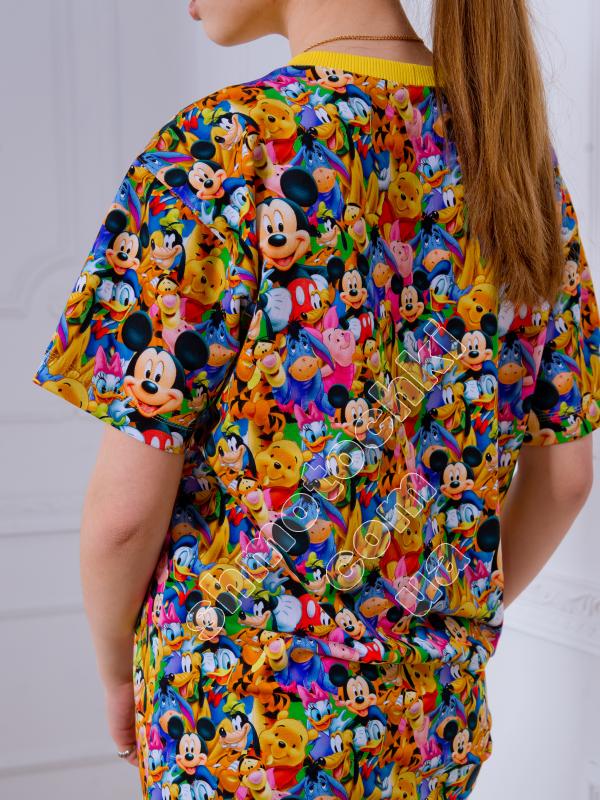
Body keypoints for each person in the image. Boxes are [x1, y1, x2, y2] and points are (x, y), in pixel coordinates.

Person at [31, 0, 600, 796]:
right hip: (431, 722)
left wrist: (115, 673)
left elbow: (124, 517)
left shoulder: (219, 150)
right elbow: (566, 478)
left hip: (238, 723)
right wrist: (434, 617)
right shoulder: (514, 158)